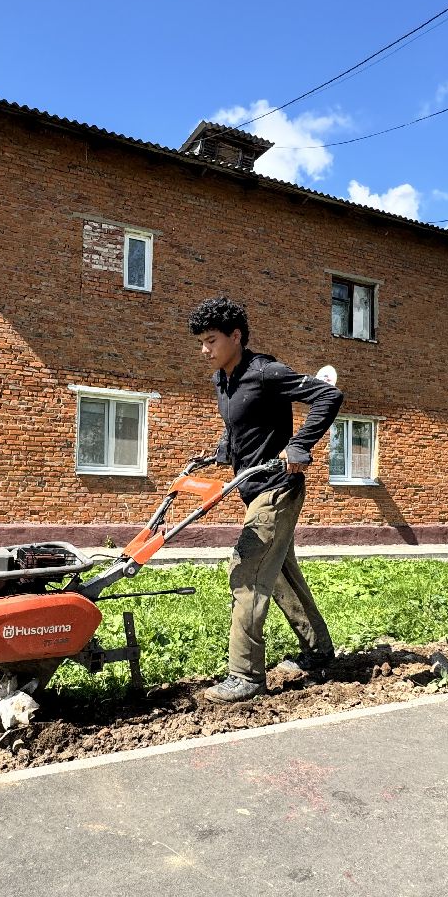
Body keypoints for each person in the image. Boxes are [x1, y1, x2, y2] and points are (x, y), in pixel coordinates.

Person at [188, 296, 344, 703]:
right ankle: (319, 651)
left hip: (277, 489)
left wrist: (298, 447)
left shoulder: (265, 372)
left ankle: (245, 676)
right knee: (277, 572)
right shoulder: (223, 379)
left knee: (246, 568)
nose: (204, 349)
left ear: (235, 337)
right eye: (200, 342)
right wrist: (223, 449)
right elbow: (239, 425)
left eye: (210, 340)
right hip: (251, 488)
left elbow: (328, 397)